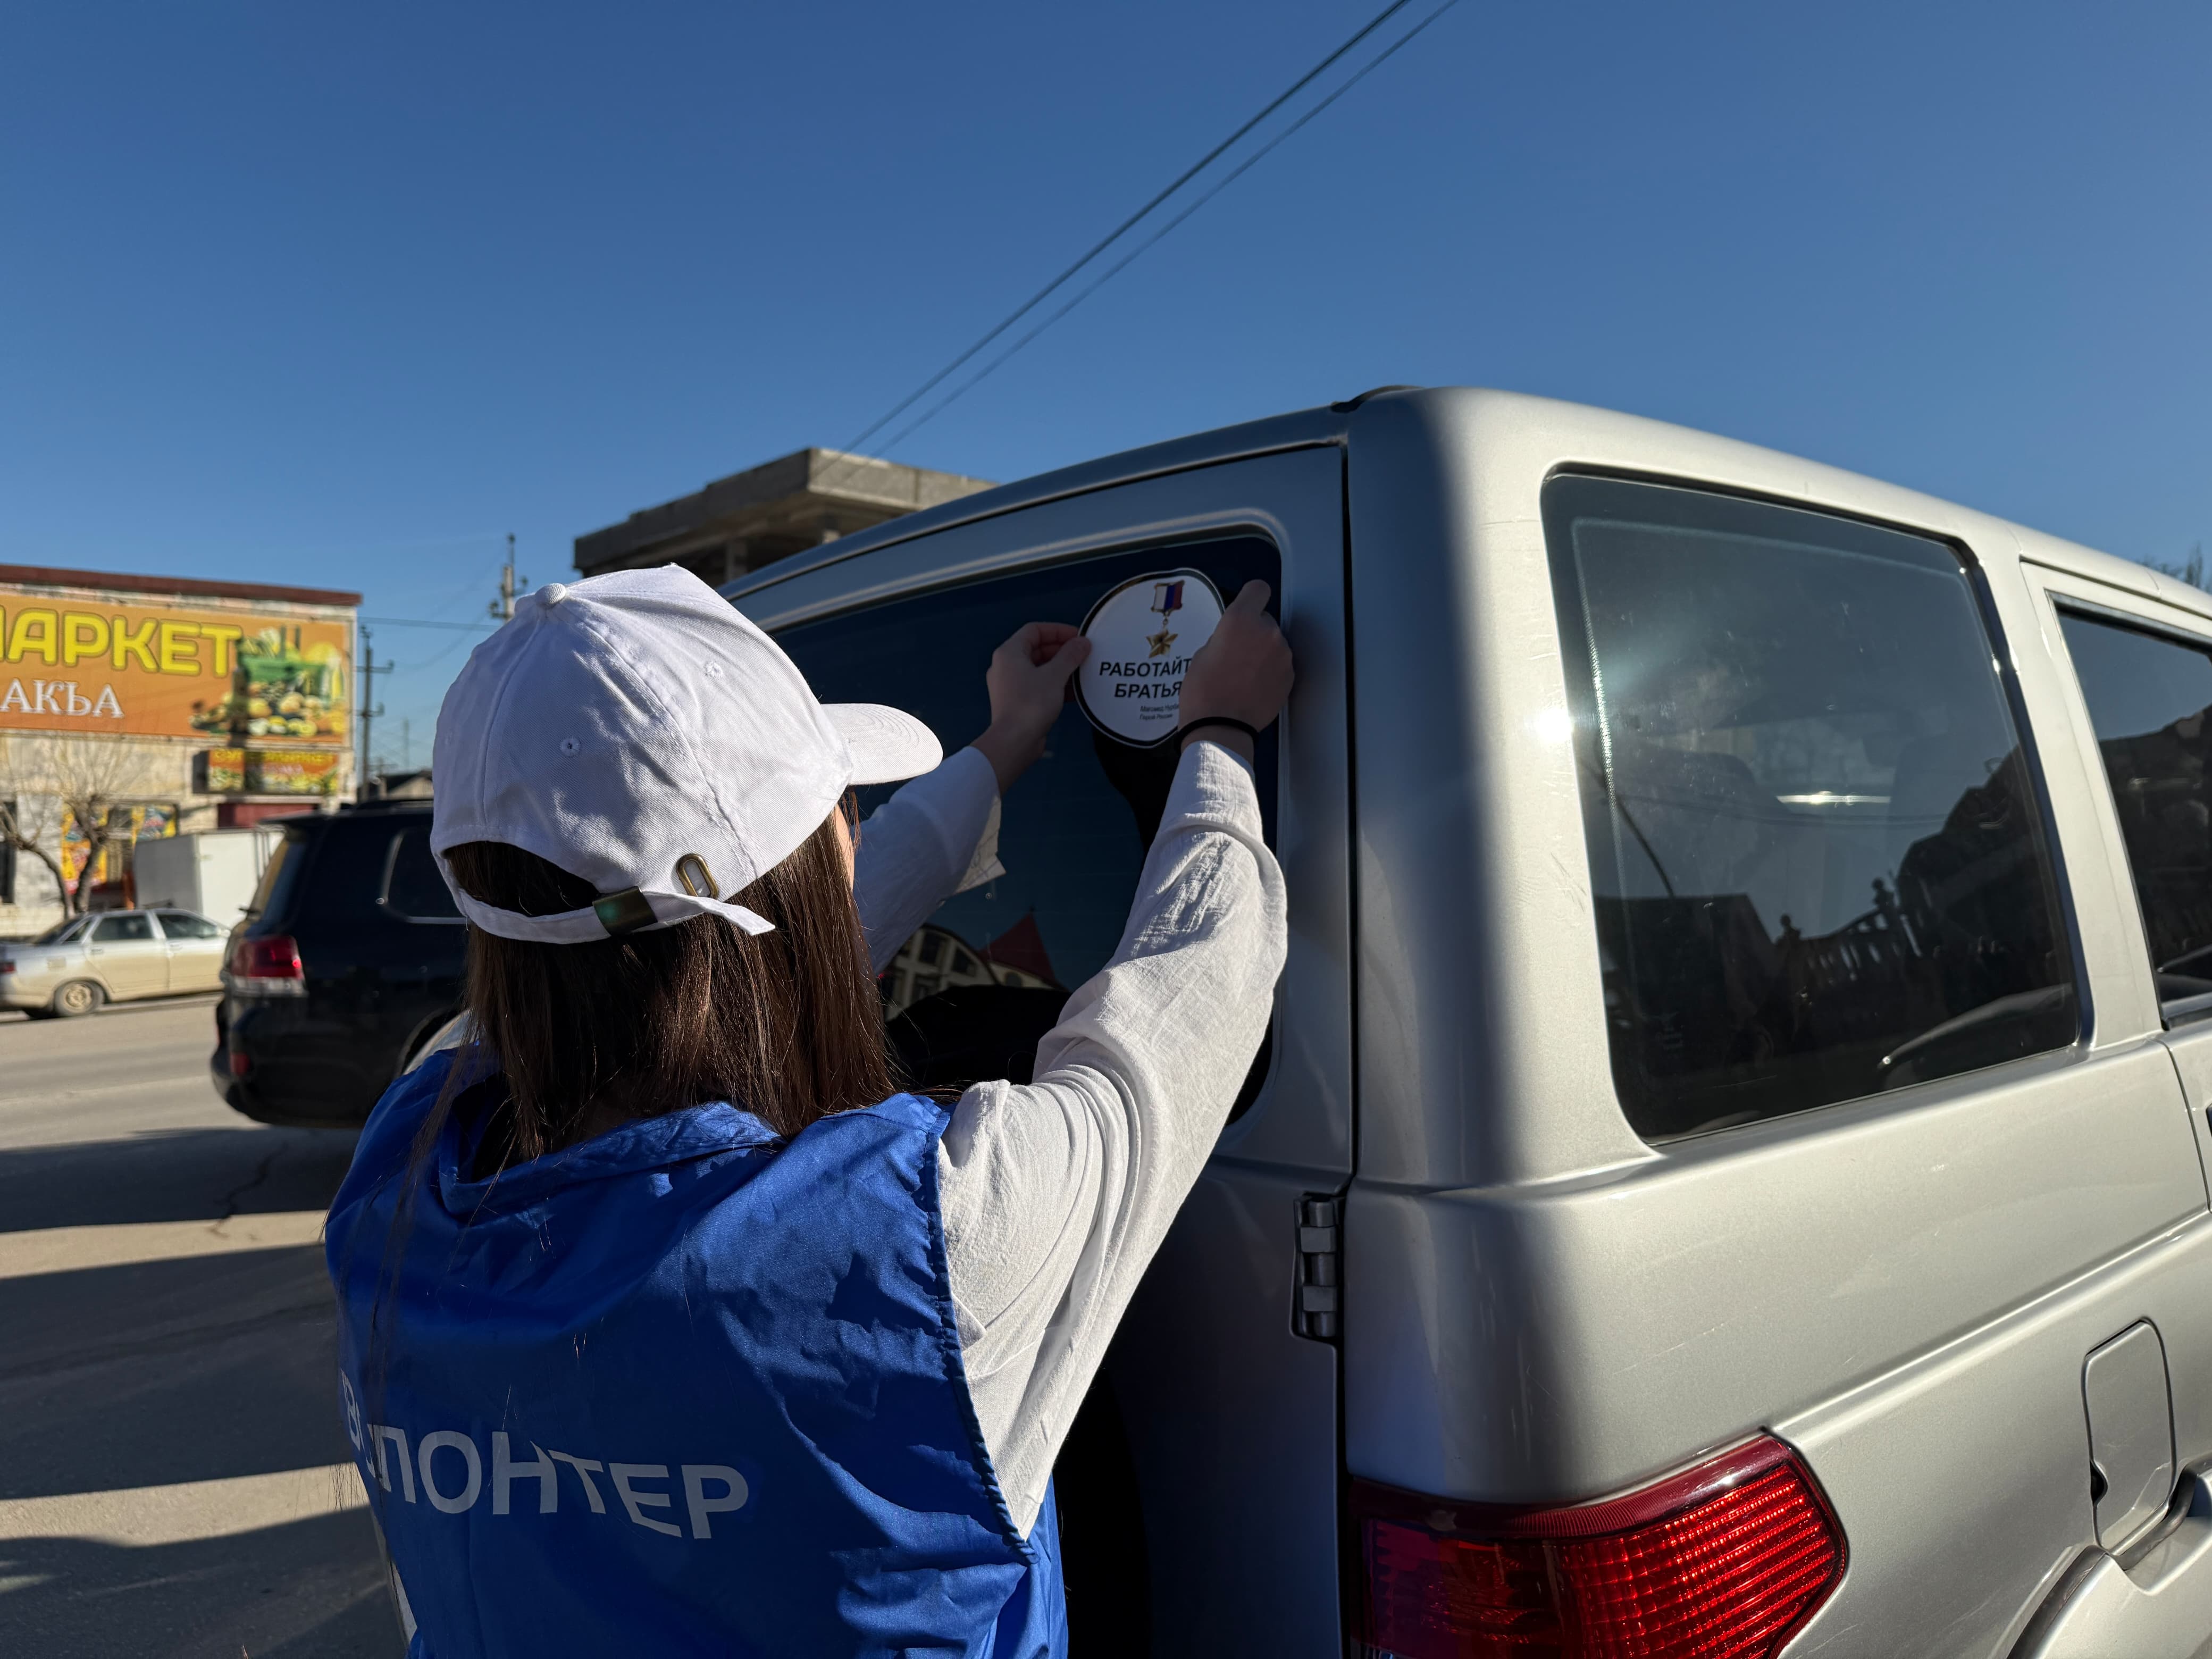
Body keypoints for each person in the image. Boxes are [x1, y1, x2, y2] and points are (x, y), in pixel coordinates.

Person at [324, 563, 1292, 1657]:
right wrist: (1216, 734)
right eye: (844, 812)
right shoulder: (924, 1243)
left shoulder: (400, 1166)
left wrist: (1001, 748)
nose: (857, 831)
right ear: (815, 862)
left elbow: (691, 950)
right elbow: (1187, 1000)